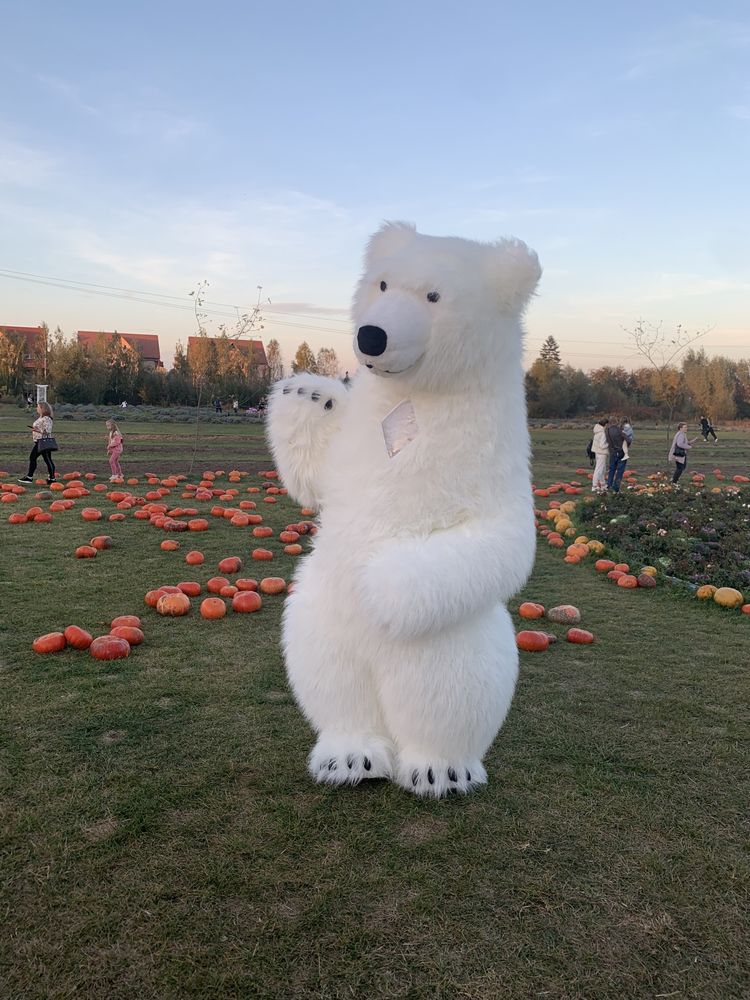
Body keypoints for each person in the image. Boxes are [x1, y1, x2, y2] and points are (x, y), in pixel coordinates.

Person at [19, 401, 56, 485]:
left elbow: (47, 431)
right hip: (39, 441)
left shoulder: (47, 418)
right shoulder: (41, 417)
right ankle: (51, 478)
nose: (37, 408)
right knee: (47, 459)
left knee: (34, 458)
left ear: (43, 408)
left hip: (43, 442)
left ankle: (29, 477)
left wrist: (37, 430)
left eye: (38, 407)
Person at [605, 414, 627, 492]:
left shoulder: (607, 431)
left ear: (610, 422)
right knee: (620, 470)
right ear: (616, 422)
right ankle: (616, 487)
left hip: (612, 452)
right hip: (621, 452)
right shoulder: (619, 430)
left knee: (612, 469)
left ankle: (609, 485)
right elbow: (628, 439)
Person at [590, 417, 610, 493]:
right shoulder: (602, 433)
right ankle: (594, 486)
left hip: (597, 452)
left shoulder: (597, 431)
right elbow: (602, 445)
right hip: (602, 453)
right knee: (599, 469)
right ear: (605, 424)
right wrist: (608, 444)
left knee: (602, 469)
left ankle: (603, 484)